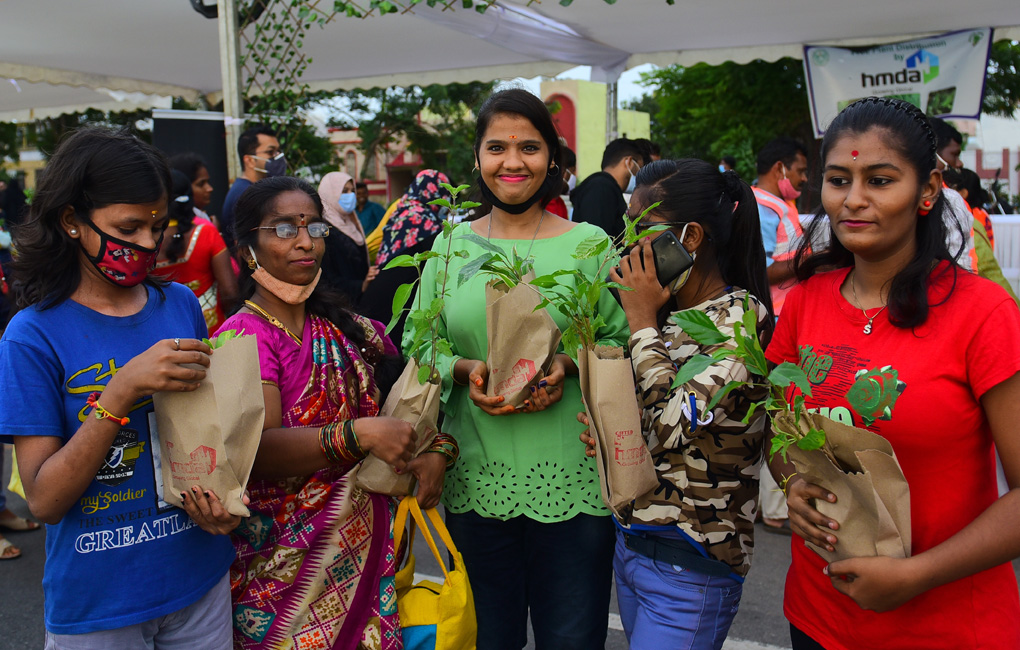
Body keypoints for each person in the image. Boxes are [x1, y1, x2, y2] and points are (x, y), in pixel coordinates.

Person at [767, 96, 1020, 650]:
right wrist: (793, 481)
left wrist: (919, 574)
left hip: (946, 624)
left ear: (928, 190)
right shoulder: (807, 302)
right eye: (838, 179)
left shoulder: (983, 314)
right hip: (817, 616)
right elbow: (781, 433)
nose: (853, 200)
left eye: (880, 180)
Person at [0, 127, 240, 647]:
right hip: (99, 606)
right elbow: (43, 500)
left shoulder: (178, 305)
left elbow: (203, 440)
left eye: (157, 226)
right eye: (128, 228)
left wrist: (221, 500)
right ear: (71, 221)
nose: (148, 244)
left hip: (199, 580)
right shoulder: (32, 335)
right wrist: (120, 390)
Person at [409, 88, 629, 650]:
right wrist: (465, 369)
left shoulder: (591, 244)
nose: (513, 162)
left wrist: (566, 364)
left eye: (529, 147)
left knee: (572, 640)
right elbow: (418, 345)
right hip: (471, 479)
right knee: (487, 639)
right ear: (478, 159)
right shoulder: (451, 246)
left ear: (552, 159)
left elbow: (621, 339)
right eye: (497, 147)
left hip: (574, 484)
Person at [221, 175, 454, 649]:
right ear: (248, 249)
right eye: (284, 229)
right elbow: (254, 452)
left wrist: (438, 452)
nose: (305, 242)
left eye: (314, 228)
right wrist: (358, 435)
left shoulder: (353, 329)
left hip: (372, 551)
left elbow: (413, 410)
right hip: (281, 571)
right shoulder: (241, 337)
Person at [585, 158, 772, 649]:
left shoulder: (740, 324)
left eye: (641, 229)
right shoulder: (672, 318)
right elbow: (650, 422)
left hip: (692, 560)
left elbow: (672, 425)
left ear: (691, 237)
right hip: (635, 547)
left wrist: (641, 320)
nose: (627, 246)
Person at [751, 136, 808, 534]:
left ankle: (772, 503)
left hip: (783, 318)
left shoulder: (780, 205)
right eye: (800, 171)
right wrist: (809, 262)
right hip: (773, 320)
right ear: (780, 169)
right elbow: (761, 269)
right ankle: (773, 507)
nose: (804, 179)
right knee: (779, 408)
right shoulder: (762, 206)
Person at [362, 170, 453, 344]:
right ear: (433, 192)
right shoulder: (422, 219)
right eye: (444, 194)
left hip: (381, 294)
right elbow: (442, 260)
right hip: (394, 301)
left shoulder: (403, 210)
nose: (447, 200)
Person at [154, 170, 239, 333]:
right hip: (212, 334)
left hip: (166, 336)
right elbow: (230, 292)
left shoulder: (146, 239)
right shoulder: (206, 232)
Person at [571, 137, 647, 242]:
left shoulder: (607, 188)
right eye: (639, 169)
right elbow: (596, 242)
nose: (639, 176)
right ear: (629, 162)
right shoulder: (601, 188)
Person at [317, 171, 377, 303]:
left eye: (352, 190)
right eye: (344, 191)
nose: (350, 195)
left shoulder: (351, 222)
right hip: (338, 303)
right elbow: (325, 276)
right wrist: (360, 285)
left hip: (360, 299)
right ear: (330, 193)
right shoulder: (322, 230)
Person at [221, 125, 282, 249]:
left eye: (278, 152)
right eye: (270, 152)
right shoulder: (245, 194)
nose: (277, 157)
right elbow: (241, 245)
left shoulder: (249, 189)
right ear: (249, 160)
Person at [929, 117, 976, 271]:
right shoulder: (950, 199)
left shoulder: (950, 198)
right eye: (954, 154)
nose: (959, 163)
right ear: (933, 152)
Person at [169, 152, 217, 226]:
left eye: (208, 182)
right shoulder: (197, 225)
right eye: (201, 184)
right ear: (184, 186)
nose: (210, 189)